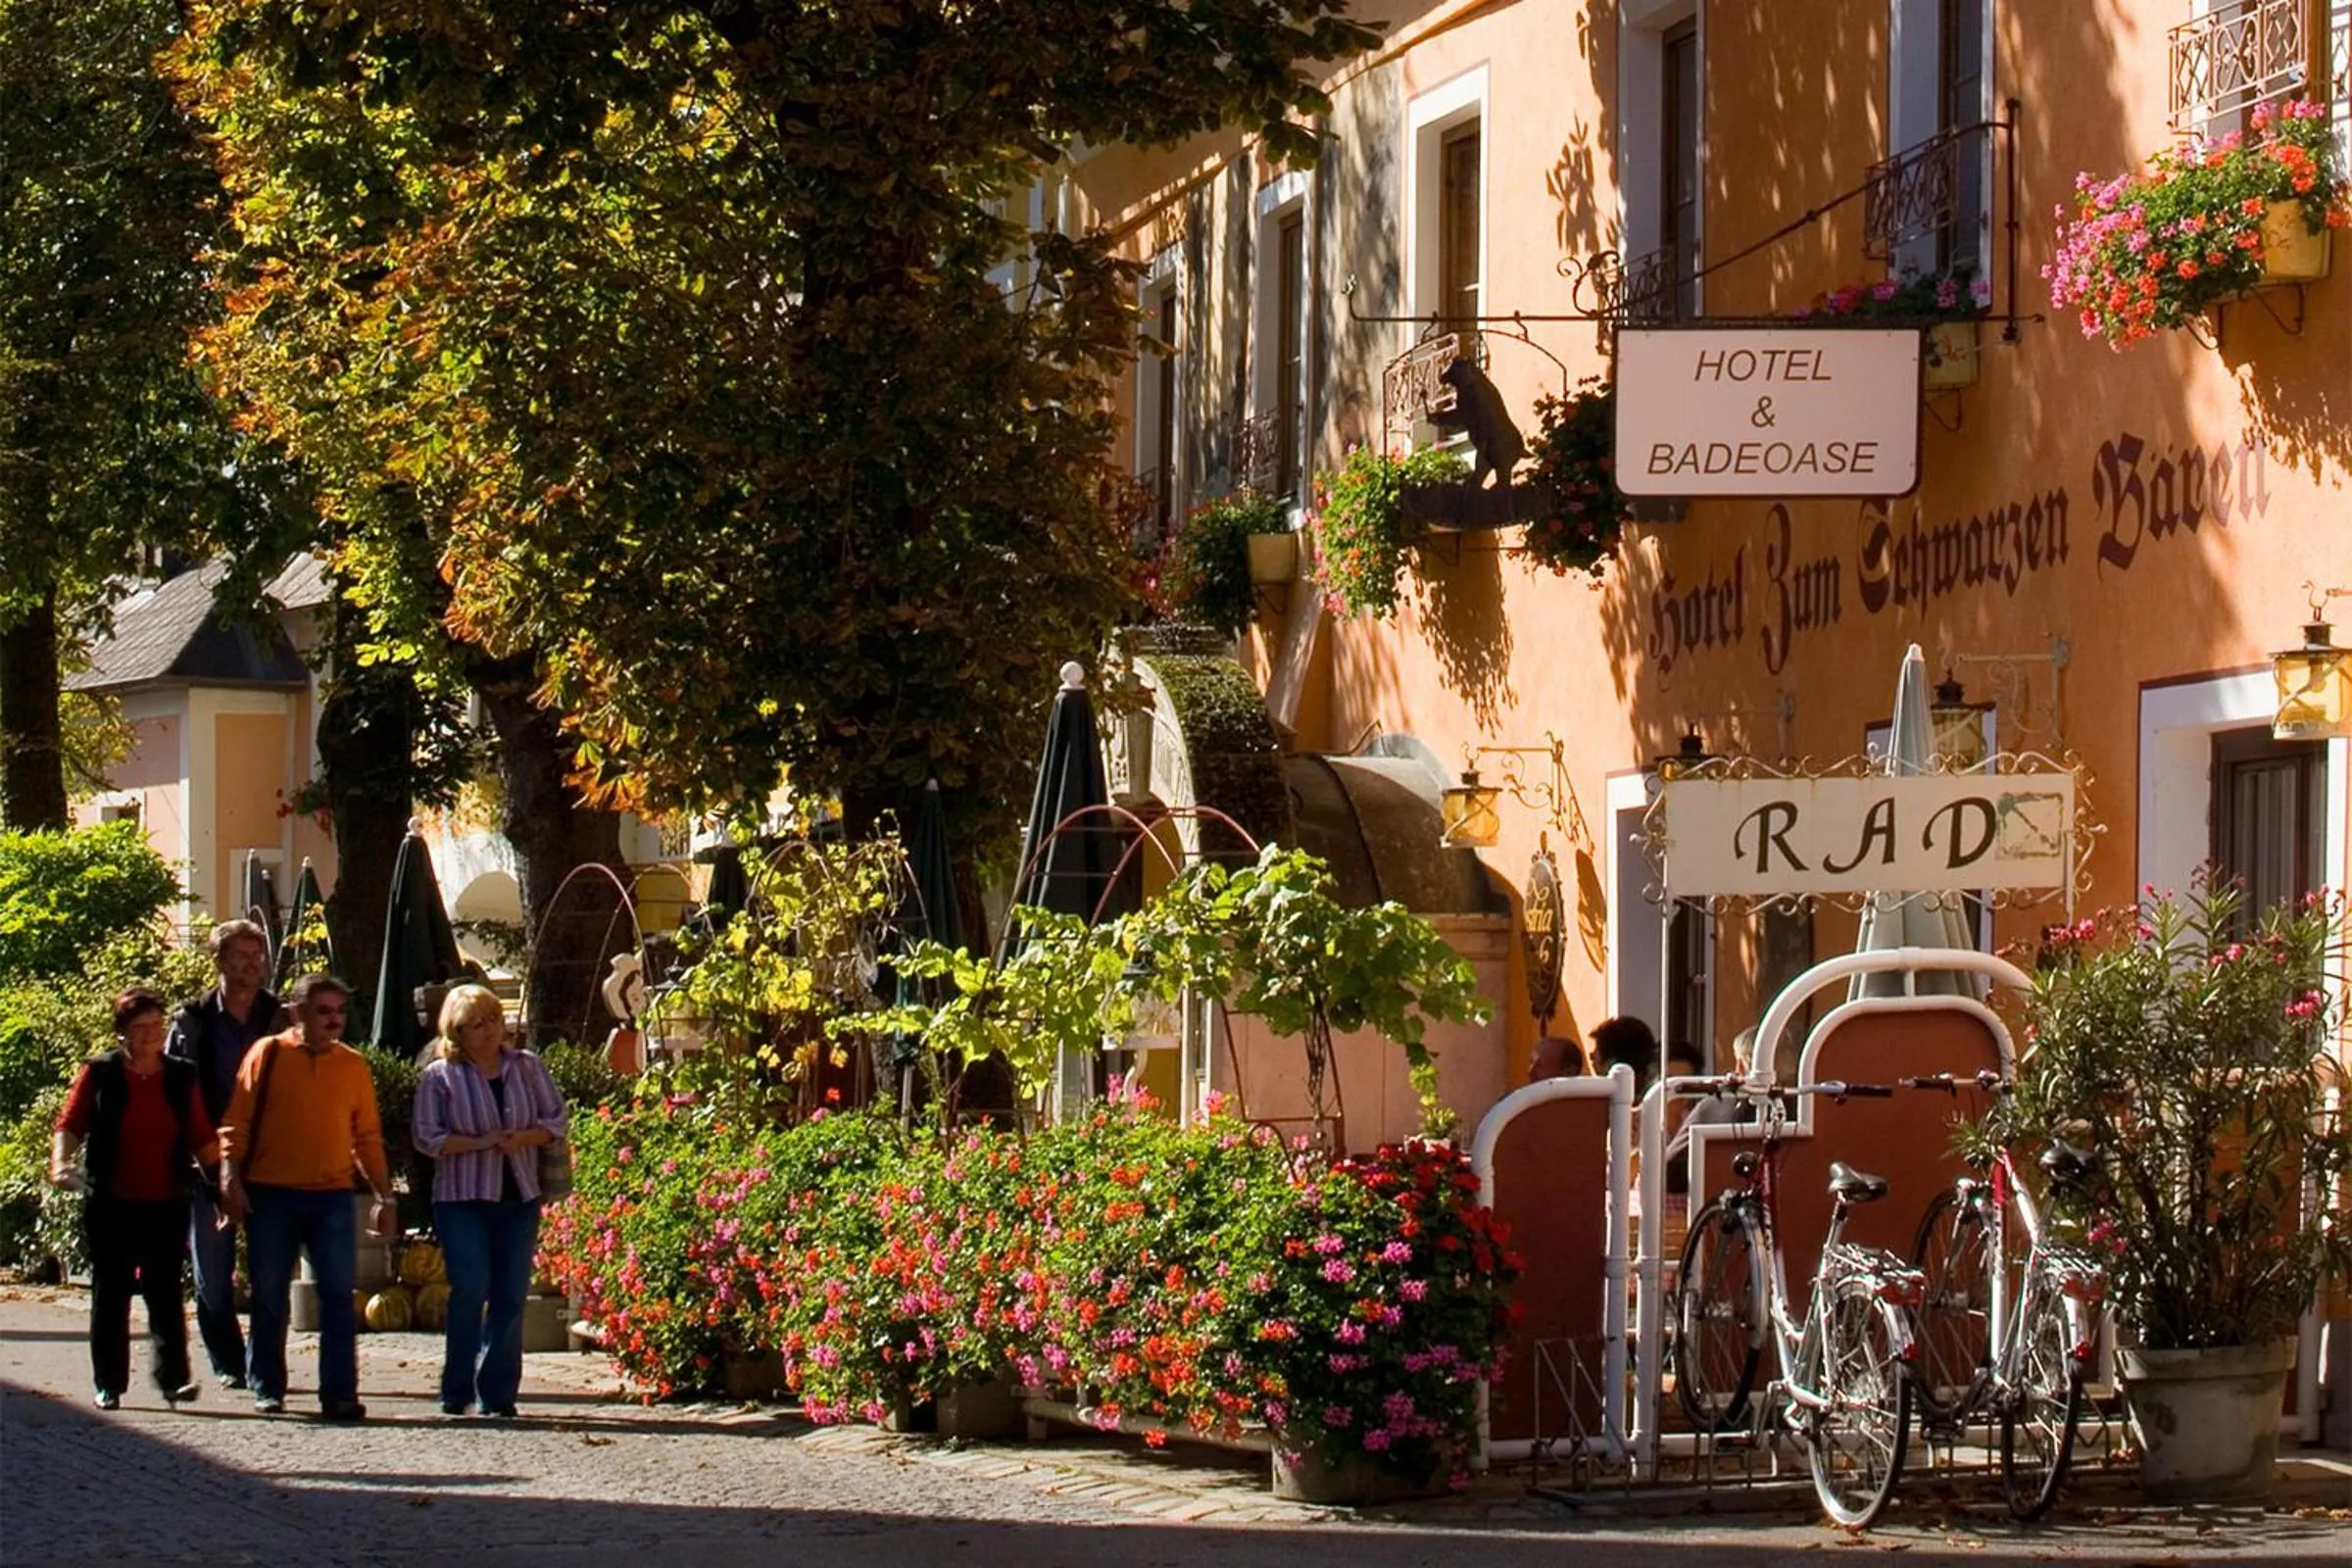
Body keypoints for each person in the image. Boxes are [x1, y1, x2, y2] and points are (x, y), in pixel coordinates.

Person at [217, 973, 394, 1420]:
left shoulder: (352, 1064)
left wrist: (384, 1194)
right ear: (297, 1013)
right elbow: (235, 1124)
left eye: (339, 1012)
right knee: (270, 1295)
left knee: (338, 1295)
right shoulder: (268, 1054)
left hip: (331, 1196)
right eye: (323, 1011)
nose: (334, 1021)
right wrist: (229, 1178)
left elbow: (367, 1137)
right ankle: (268, 1385)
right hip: (271, 1194)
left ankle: (339, 1394)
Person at [49, 988, 220, 1411]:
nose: (150, 1036)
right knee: (111, 1296)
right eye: (141, 1029)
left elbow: (201, 1135)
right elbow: (69, 1123)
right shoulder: (101, 1072)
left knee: (165, 1296)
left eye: (156, 1027)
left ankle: (174, 1380)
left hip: (166, 1200)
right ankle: (109, 1382)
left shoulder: (180, 1075)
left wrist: (223, 1184)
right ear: (122, 1033)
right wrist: (61, 1164)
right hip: (112, 1202)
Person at [411, 984, 566, 1418]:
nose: (489, 1030)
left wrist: (526, 1137)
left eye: (494, 1019)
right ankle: (456, 1386)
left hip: (518, 1195)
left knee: (510, 1294)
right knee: (470, 1288)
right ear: (457, 1031)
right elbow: (427, 1137)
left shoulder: (526, 1067)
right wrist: (479, 1143)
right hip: (463, 1197)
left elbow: (556, 1117)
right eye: (477, 1024)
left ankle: (497, 1393)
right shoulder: (440, 1076)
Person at [165, 918, 286, 1390]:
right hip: (204, 1159)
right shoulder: (193, 1021)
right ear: (218, 961)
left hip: (268, 1157)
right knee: (213, 1273)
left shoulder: (276, 1018)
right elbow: (182, 1095)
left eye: (257, 956)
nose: (252, 965)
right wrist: (211, 1165)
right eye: (241, 956)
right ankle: (228, 1359)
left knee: (269, 1269)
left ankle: (262, 1364)